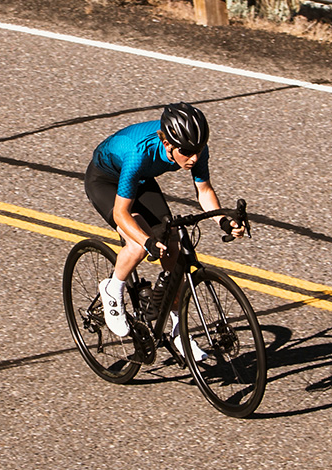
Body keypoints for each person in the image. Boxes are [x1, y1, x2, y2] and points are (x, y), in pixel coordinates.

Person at [84, 102, 244, 347]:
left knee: (172, 241)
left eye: (199, 151)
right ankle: (112, 288)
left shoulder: (194, 149)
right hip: (106, 180)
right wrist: (146, 240)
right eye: (188, 152)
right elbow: (120, 213)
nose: (194, 158)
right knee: (137, 245)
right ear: (167, 143)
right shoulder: (138, 153)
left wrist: (223, 220)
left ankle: (179, 331)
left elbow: (204, 191)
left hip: (141, 179)